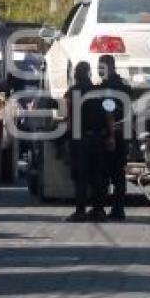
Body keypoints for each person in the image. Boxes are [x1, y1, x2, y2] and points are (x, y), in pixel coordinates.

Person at [64, 61, 106, 222]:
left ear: (76, 74)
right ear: (88, 73)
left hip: (79, 139)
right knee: (97, 176)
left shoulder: (72, 93)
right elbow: (108, 113)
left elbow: (70, 116)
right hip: (98, 138)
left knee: (80, 177)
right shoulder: (99, 92)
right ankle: (99, 211)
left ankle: (80, 211)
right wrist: (109, 135)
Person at [97, 54, 132, 221]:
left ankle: (102, 209)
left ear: (108, 67)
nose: (98, 70)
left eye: (100, 67)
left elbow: (109, 110)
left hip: (111, 134)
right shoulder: (124, 85)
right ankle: (119, 209)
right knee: (119, 174)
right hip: (123, 133)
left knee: (104, 173)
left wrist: (110, 135)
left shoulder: (108, 87)